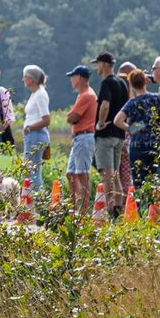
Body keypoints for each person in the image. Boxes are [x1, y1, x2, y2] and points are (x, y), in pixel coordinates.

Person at [115, 69, 160, 202]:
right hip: (155, 146)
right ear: (145, 82)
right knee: (156, 180)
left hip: (137, 148)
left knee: (139, 182)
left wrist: (132, 128)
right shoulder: (156, 98)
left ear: (131, 84)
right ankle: (156, 210)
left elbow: (117, 120)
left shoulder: (132, 103)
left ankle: (140, 210)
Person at [92, 53, 128, 208]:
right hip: (119, 135)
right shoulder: (122, 83)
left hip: (106, 135)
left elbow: (105, 105)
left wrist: (100, 123)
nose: (97, 67)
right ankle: (119, 209)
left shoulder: (107, 83)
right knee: (115, 175)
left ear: (105, 65)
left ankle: (109, 210)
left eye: (98, 64)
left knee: (107, 175)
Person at [63, 65, 98, 213]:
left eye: (73, 76)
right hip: (79, 138)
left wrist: (70, 115)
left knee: (82, 174)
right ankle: (74, 206)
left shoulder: (87, 96)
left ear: (81, 78)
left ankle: (83, 211)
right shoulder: (82, 95)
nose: (71, 79)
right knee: (71, 173)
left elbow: (72, 117)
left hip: (84, 136)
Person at [19, 65, 50, 192]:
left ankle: (38, 203)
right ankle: (33, 202)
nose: (23, 79)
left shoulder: (40, 95)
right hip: (33, 135)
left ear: (32, 79)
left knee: (32, 172)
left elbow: (46, 119)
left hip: (36, 135)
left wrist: (29, 127)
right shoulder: (35, 94)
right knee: (31, 171)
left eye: (25, 76)